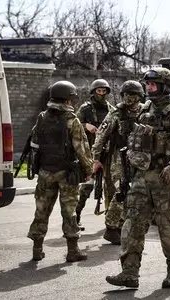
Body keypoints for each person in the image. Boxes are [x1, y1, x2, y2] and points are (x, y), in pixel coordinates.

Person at [106, 67, 170, 288]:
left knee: (168, 227)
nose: (149, 88)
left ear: (165, 87)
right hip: (140, 178)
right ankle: (129, 273)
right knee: (132, 223)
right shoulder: (144, 111)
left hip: (165, 180)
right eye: (148, 84)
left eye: (153, 84)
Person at [27, 80, 93, 262]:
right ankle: (73, 251)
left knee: (41, 210)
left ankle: (37, 249)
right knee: (69, 211)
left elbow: (35, 143)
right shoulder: (72, 120)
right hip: (67, 173)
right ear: (68, 100)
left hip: (45, 171)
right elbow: (81, 148)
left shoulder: (41, 117)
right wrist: (88, 169)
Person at [92, 80, 146, 245]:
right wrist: (96, 158)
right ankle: (110, 227)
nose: (129, 98)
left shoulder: (146, 111)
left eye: (133, 95)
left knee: (135, 194)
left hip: (140, 158)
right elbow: (101, 135)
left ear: (139, 96)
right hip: (119, 158)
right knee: (120, 192)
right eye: (126, 95)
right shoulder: (116, 113)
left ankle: (122, 226)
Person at [75, 79, 115, 229]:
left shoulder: (111, 109)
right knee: (86, 187)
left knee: (110, 188)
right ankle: (76, 217)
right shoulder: (85, 109)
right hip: (90, 154)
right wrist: (86, 126)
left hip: (107, 153)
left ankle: (111, 220)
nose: (102, 93)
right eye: (99, 91)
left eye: (104, 91)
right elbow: (73, 125)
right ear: (93, 91)